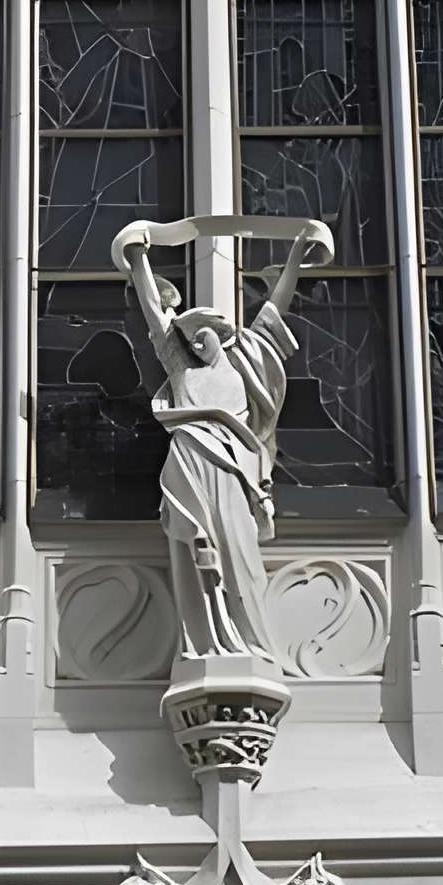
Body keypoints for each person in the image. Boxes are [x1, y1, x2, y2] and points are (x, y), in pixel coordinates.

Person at [119, 223, 322, 666]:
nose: (195, 340)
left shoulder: (246, 359)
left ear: (221, 332)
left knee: (240, 552)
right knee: (197, 551)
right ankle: (205, 642)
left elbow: (276, 307)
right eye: (190, 334)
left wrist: (298, 254)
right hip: (191, 457)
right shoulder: (181, 367)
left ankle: (252, 646)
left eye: (203, 331)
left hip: (233, 468)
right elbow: (155, 312)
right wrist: (138, 259)